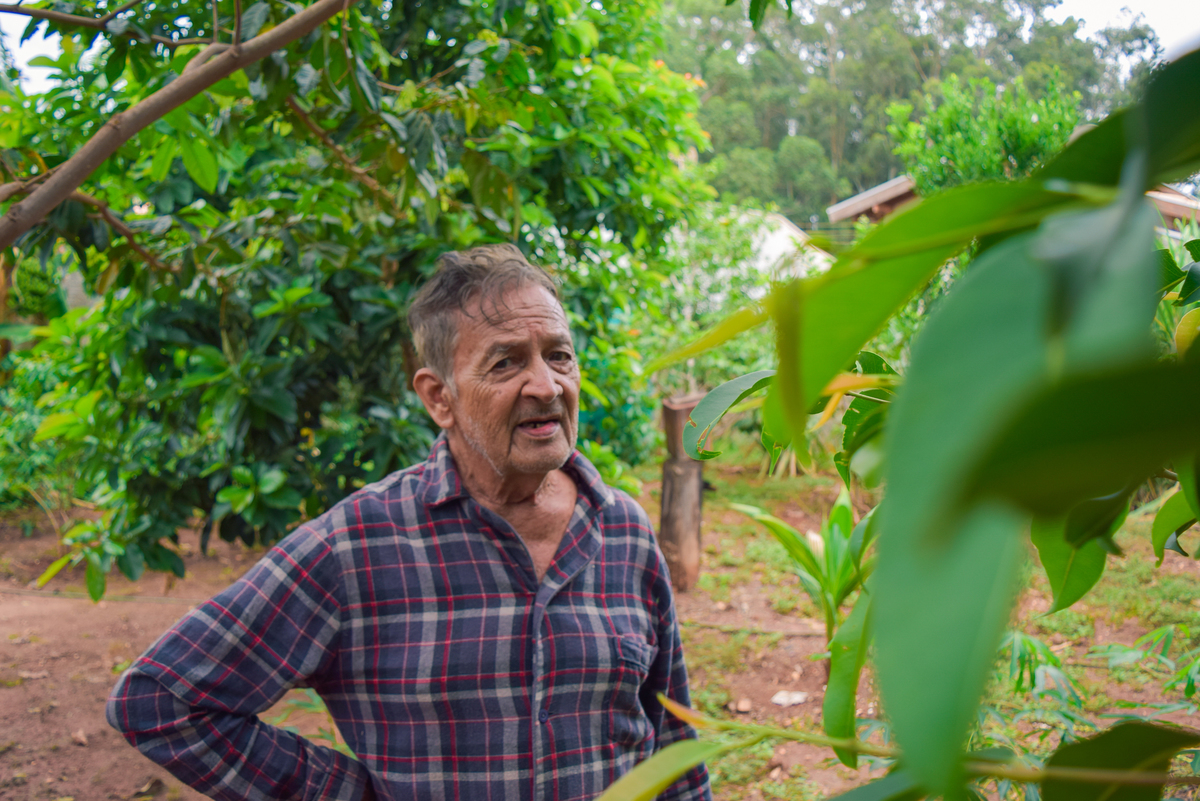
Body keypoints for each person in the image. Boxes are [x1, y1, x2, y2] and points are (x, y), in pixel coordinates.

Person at [107, 244, 711, 801]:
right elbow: (160, 700)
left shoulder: (623, 532)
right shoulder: (357, 547)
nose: (546, 385)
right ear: (438, 397)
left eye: (559, 356)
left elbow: (673, 742)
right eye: (506, 363)